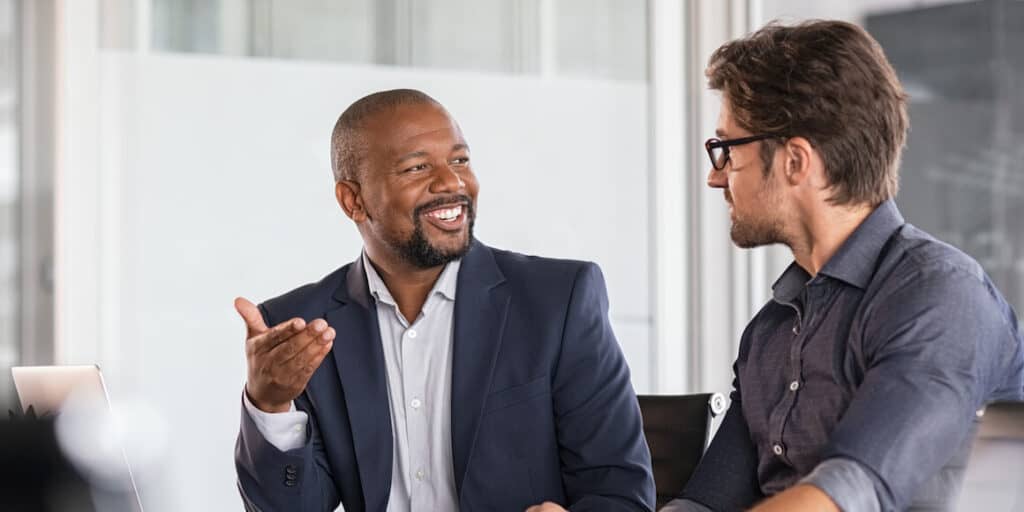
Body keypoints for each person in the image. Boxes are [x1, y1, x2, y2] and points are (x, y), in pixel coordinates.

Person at [233, 89, 654, 512]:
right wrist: (270, 406)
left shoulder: (557, 302)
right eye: (417, 168)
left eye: (460, 160)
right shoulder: (300, 326)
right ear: (353, 200)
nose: (452, 182)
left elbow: (620, 493)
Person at [664, 20, 1024, 512]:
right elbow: (705, 505)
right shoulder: (770, 331)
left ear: (795, 161)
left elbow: (849, 495)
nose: (714, 175)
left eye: (727, 150)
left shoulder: (940, 296)